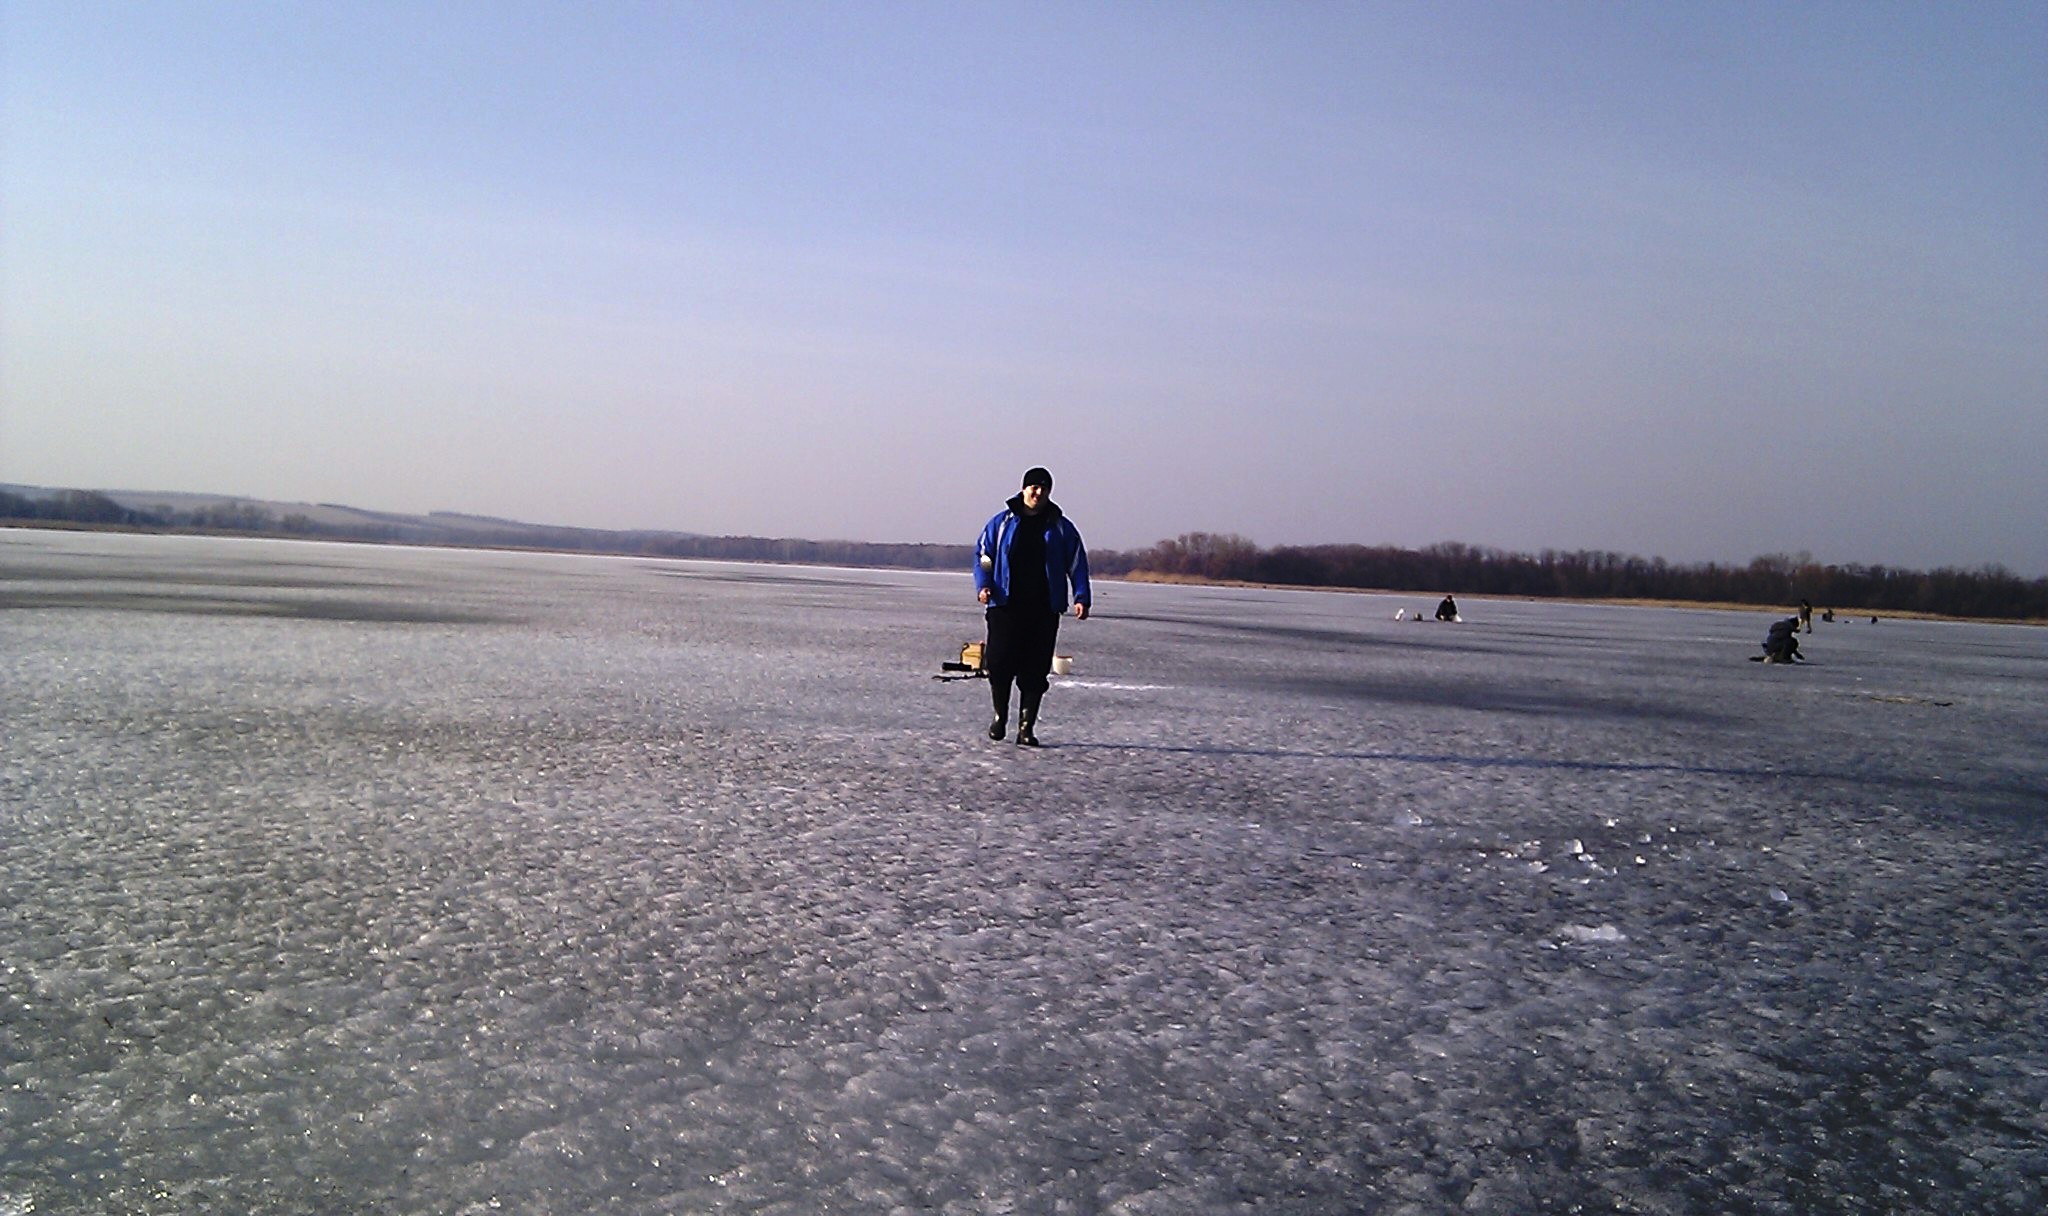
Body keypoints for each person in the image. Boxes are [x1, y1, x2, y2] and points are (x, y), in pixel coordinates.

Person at [975, 467, 1090, 746]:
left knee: (1035, 669)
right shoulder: (1002, 523)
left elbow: (1077, 563)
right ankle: (1000, 716)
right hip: (1005, 605)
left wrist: (1081, 596)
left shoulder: (1060, 526)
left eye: (1043, 488)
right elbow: (984, 556)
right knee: (999, 662)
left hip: (1043, 608)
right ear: (1024, 489)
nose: (1038, 492)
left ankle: (1026, 728)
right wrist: (984, 584)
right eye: (1033, 487)